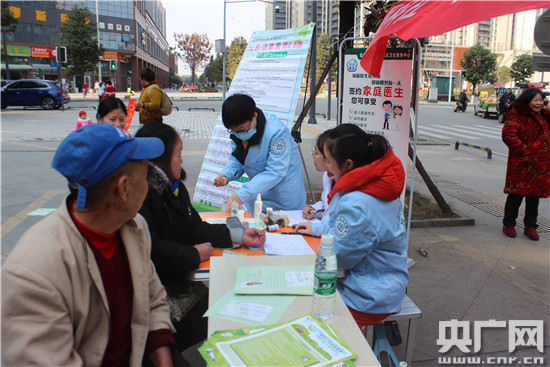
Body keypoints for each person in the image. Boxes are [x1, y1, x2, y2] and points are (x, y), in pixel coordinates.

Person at [1, 124, 177, 366]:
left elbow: (154, 300)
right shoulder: (32, 274)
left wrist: (163, 358)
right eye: (145, 174)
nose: (148, 185)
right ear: (123, 189)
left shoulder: (134, 227)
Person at [135, 122, 266, 351]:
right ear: (159, 159)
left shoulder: (175, 188)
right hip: (157, 291)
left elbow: (195, 227)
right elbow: (150, 249)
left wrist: (238, 235)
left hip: (176, 278)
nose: (182, 160)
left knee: (222, 300)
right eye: (178, 154)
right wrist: (193, 254)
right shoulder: (141, 195)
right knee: (220, 307)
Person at [295, 124, 409, 328]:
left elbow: (339, 258)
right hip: (385, 285)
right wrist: (317, 229)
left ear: (347, 164)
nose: (326, 166)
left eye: (328, 160)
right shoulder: (377, 188)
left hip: (367, 298)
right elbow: (341, 226)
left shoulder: (356, 203)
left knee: (300, 309)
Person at [213, 94, 306, 211]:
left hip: (283, 197)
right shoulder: (238, 133)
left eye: (241, 129)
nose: (239, 134)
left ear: (254, 116)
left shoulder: (277, 133)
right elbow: (238, 157)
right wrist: (227, 175)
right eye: (233, 131)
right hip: (258, 194)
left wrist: (242, 194)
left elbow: (275, 171)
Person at [501, 88, 550, 241]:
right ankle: (509, 223)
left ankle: (530, 226)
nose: (538, 103)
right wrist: (525, 152)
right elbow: (508, 135)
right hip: (522, 163)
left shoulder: (543, 115)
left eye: (541, 100)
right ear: (527, 100)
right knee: (516, 194)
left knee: (534, 196)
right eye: (535, 100)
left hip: (539, 164)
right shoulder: (517, 114)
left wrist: (547, 109)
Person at [301, 130, 334, 221]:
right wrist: (314, 209)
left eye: (316, 152)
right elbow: (326, 205)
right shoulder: (328, 176)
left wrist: (315, 229)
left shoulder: (349, 188)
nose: (313, 156)